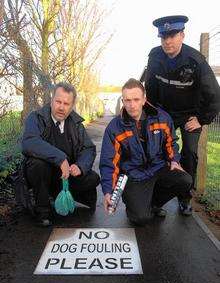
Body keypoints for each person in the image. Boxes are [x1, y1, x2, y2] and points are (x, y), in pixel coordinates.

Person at [144, 15, 220, 215]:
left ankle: (184, 197)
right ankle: (156, 196)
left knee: (189, 154)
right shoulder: (154, 56)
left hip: (189, 116)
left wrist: (202, 119)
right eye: (163, 37)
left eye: (172, 35)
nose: (167, 41)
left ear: (182, 35)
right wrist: (152, 114)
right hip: (163, 113)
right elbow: (149, 89)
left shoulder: (195, 61)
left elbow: (214, 94)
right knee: (155, 150)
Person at [99, 78, 192, 225]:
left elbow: (171, 142)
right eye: (127, 100)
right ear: (123, 101)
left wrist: (174, 160)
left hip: (158, 167)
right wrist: (108, 191)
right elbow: (109, 162)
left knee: (185, 180)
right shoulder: (114, 127)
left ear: (144, 99)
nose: (132, 105)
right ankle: (136, 205)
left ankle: (154, 204)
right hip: (133, 175)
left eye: (136, 99)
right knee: (141, 218)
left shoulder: (162, 117)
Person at [22, 82, 100, 226]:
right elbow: (29, 142)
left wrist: (80, 166)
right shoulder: (36, 118)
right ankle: (43, 211)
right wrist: (61, 159)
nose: (61, 107)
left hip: (66, 176)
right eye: (58, 101)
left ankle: (64, 195)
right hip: (45, 174)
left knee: (93, 178)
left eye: (66, 103)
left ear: (71, 106)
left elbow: (88, 148)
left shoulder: (76, 124)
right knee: (37, 165)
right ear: (51, 100)